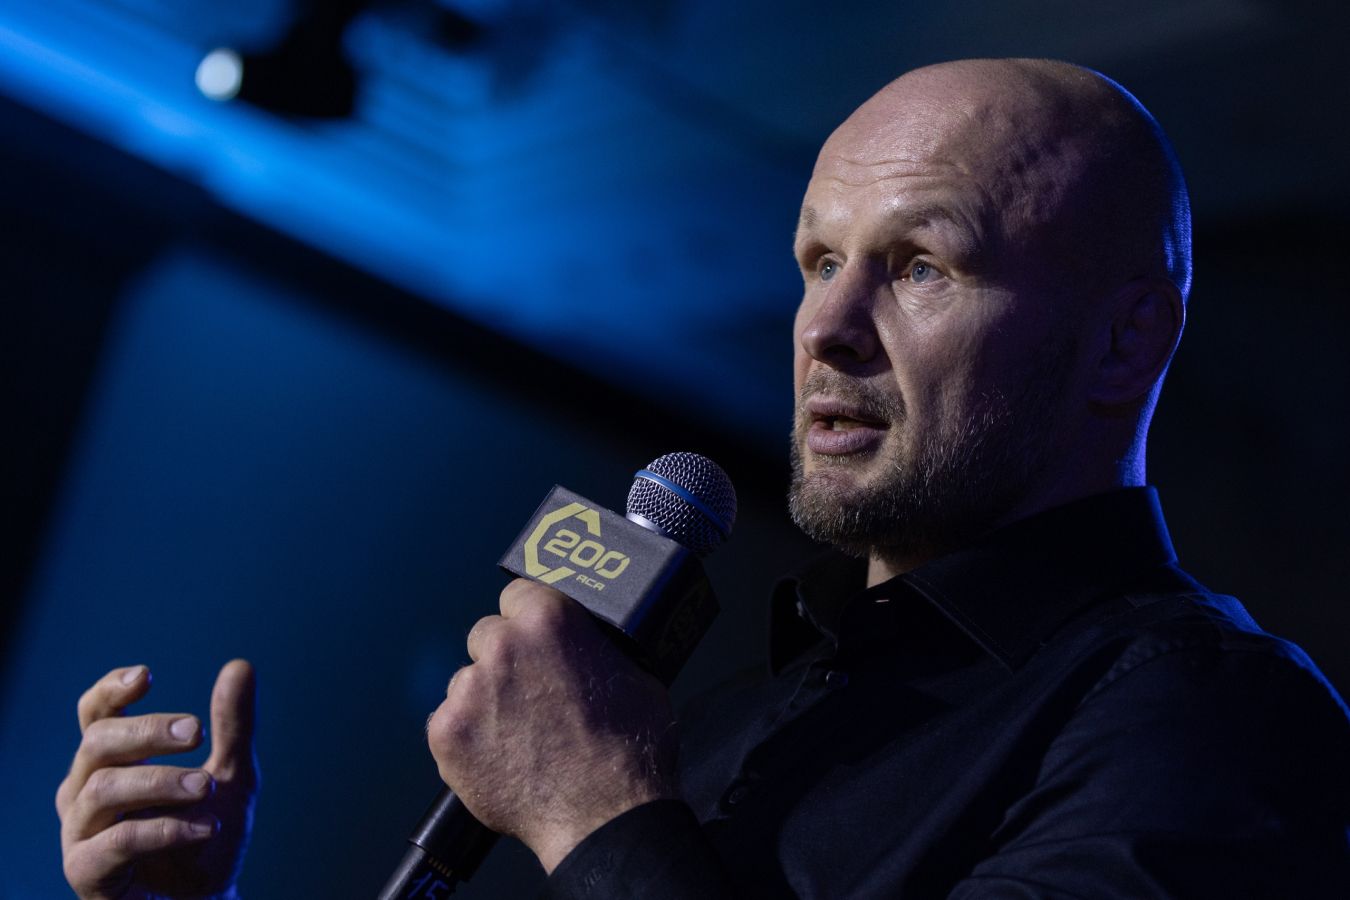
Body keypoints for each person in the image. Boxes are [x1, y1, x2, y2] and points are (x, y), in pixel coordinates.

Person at [57, 58, 1350, 897]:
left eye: (920, 267)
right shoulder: (727, 722)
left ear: (1125, 342)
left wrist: (597, 820)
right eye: (816, 262)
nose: (823, 327)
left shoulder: (1211, 720)